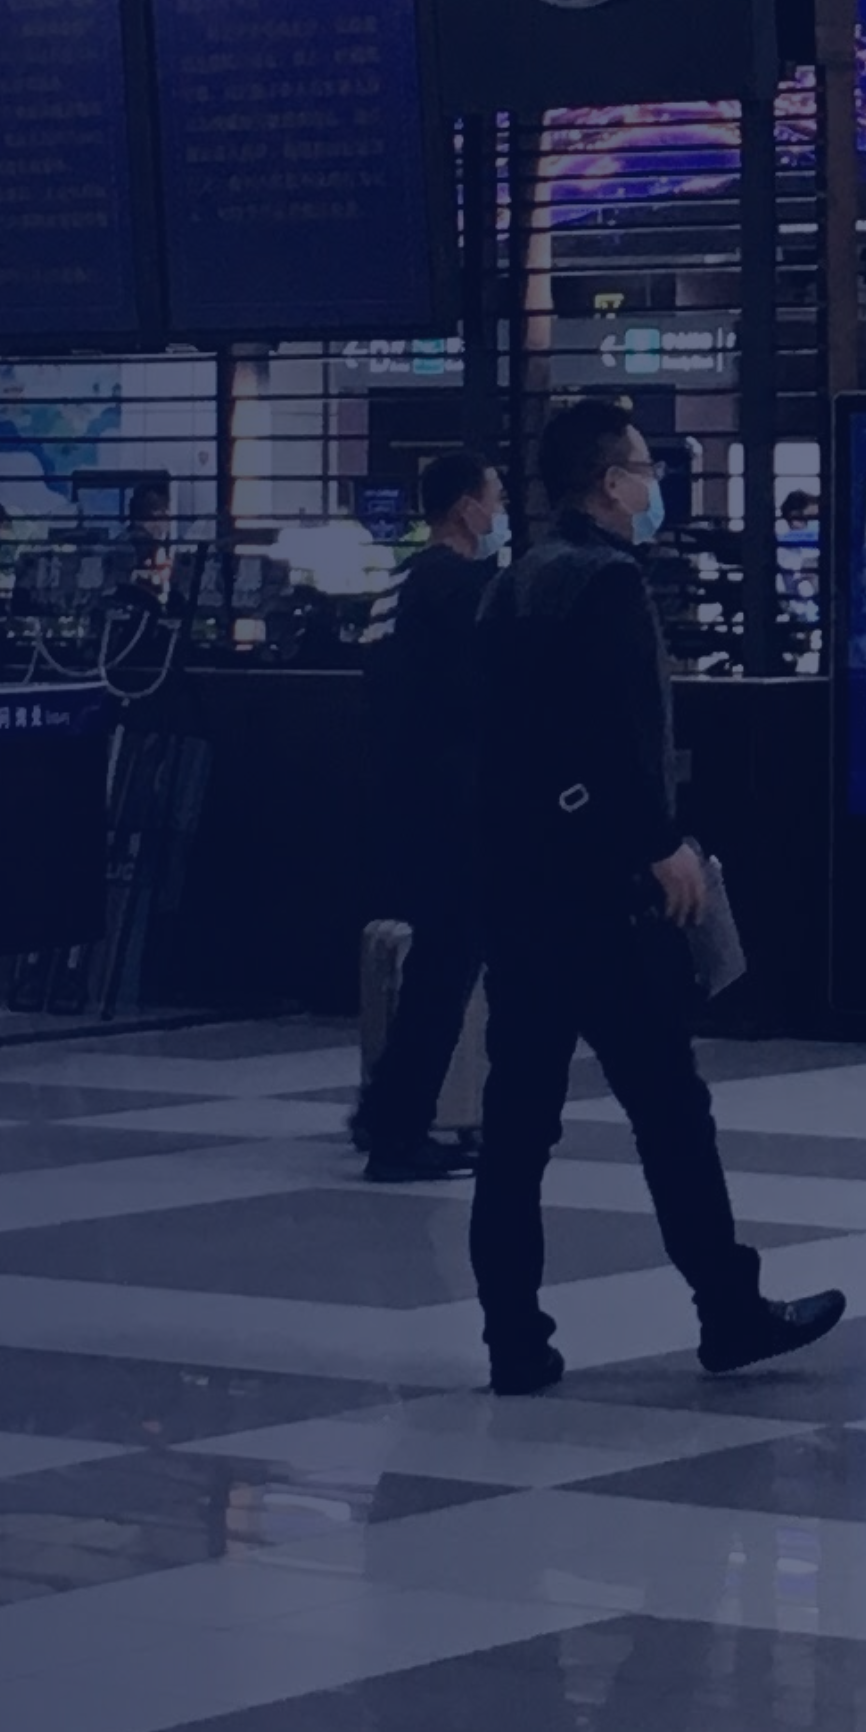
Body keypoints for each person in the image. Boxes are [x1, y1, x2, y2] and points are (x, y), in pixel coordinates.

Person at [471, 400, 845, 1397]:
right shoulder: (608, 583)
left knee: (516, 1124)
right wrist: (655, 844)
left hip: (520, 894)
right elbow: (610, 740)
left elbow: (505, 744)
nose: (652, 484)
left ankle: (513, 1338)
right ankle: (727, 1311)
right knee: (670, 1110)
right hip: (601, 899)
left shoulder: (511, 586)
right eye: (643, 467)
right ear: (609, 482)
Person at [345, 452, 510, 1184]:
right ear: (466, 507)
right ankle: (398, 1126)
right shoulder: (467, 588)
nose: (500, 509)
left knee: (438, 966)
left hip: (400, 799)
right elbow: (489, 694)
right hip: (456, 806)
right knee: (446, 968)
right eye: (495, 496)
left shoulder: (403, 583)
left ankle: (387, 1110)